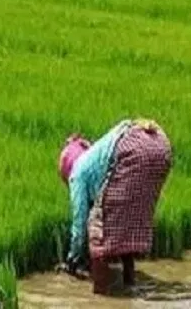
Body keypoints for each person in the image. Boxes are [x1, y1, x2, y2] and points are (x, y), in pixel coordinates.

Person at [59, 118, 173, 295]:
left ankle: (102, 295)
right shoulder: (95, 159)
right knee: (126, 222)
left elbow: (79, 224)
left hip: (133, 146)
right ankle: (129, 284)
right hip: (160, 143)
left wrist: (72, 260)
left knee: (97, 228)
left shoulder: (77, 173)